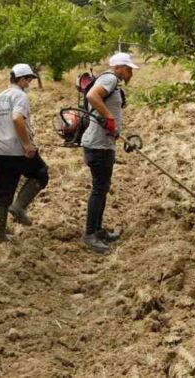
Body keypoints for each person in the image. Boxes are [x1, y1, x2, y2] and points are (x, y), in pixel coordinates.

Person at [80, 52, 139, 253]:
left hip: (102, 144)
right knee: (99, 189)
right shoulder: (110, 78)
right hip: (98, 145)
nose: (131, 73)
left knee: (102, 188)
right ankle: (90, 234)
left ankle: (97, 230)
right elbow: (92, 95)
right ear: (119, 67)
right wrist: (109, 117)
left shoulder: (112, 81)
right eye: (129, 69)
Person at [0, 63, 50, 243]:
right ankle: (19, 207)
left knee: (2, 191)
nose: (29, 83)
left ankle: (0, 236)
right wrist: (27, 144)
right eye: (29, 79)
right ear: (21, 79)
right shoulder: (20, 96)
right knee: (41, 173)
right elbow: (17, 118)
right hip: (17, 149)